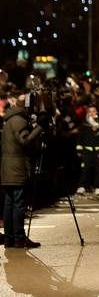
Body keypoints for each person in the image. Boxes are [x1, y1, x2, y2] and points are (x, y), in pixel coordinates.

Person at [2, 92, 44, 248]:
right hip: (17, 167)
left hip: (8, 167)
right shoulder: (19, 120)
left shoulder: (10, 120)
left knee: (9, 202)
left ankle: (9, 238)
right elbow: (25, 141)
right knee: (18, 203)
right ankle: (18, 237)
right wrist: (40, 127)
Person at [75, 105, 99, 197]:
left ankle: (98, 187)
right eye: (90, 112)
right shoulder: (84, 125)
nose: (92, 113)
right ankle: (82, 186)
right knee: (85, 169)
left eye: (94, 111)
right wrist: (79, 150)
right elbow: (80, 138)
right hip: (87, 151)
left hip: (98, 151)